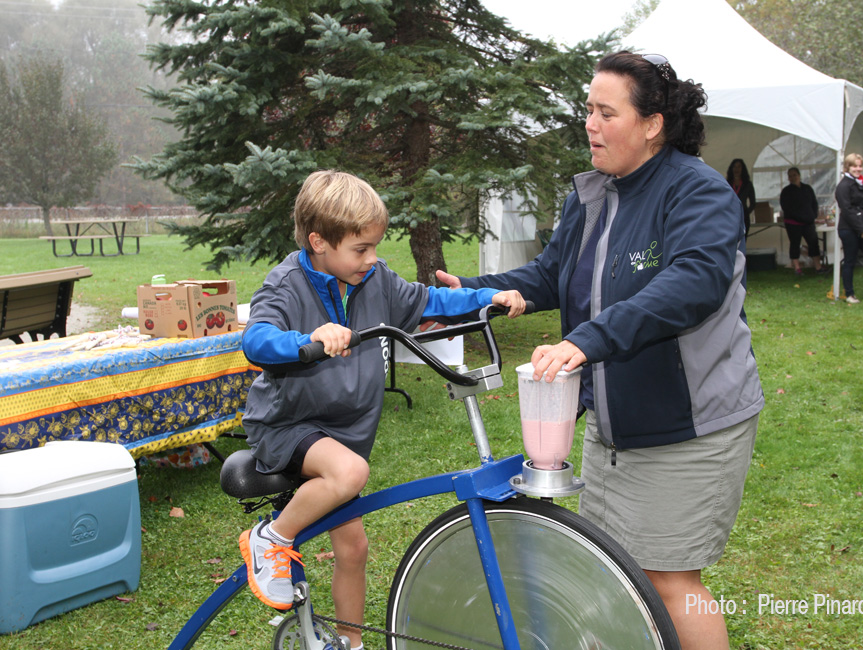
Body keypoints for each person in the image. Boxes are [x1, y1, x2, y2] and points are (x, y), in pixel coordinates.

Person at [435, 51, 763, 650]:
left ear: (652, 123)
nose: (589, 123)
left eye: (605, 112)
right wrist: (474, 291)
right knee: (612, 571)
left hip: (687, 425)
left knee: (669, 580)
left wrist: (584, 341)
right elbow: (552, 273)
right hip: (612, 425)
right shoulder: (591, 195)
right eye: (587, 109)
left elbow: (690, 285)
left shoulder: (699, 193)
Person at [239, 170, 525, 649]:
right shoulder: (286, 283)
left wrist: (487, 297)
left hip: (341, 433)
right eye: (360, 249)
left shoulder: (374, 280)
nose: (371, 259)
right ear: (319, 242)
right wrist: (307, 339)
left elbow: (430, 299)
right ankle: (270, 538)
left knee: (354, 547)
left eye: (374, 247)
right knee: (350, 474)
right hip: (287, 426)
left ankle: (352, 643)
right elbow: (256, 338)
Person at [835, 153, 863, 303]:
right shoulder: (843, 186)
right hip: (848, 229)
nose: (858, 169)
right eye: (855, 166)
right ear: (847, 167)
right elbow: (847, 211)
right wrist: (862, 230)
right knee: (850, 261)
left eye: (860, 166)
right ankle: (849, 294)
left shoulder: (859, 183)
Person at [779, 167, 826, 275]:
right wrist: (799, 217)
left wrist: (813, 215)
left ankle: (818, 267)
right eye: (790, 176)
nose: (792, 177)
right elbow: (786, 207)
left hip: (808, 222)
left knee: (814, 243)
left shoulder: (807, 188)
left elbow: (814, 203)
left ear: (799, 175)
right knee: (795, 244)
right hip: (793, 223)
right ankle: (797, 268)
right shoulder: (786, 191)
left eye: (794, 175)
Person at [726, 158, 756, 238]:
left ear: (742, 169)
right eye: (735, 167)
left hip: (744, 218)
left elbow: (753, 203)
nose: (736, 169)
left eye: (739, 167)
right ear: (731, 169)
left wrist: (746, 212)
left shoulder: (748, 184)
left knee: (742, 241)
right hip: (730, 217)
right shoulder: (727, 183)